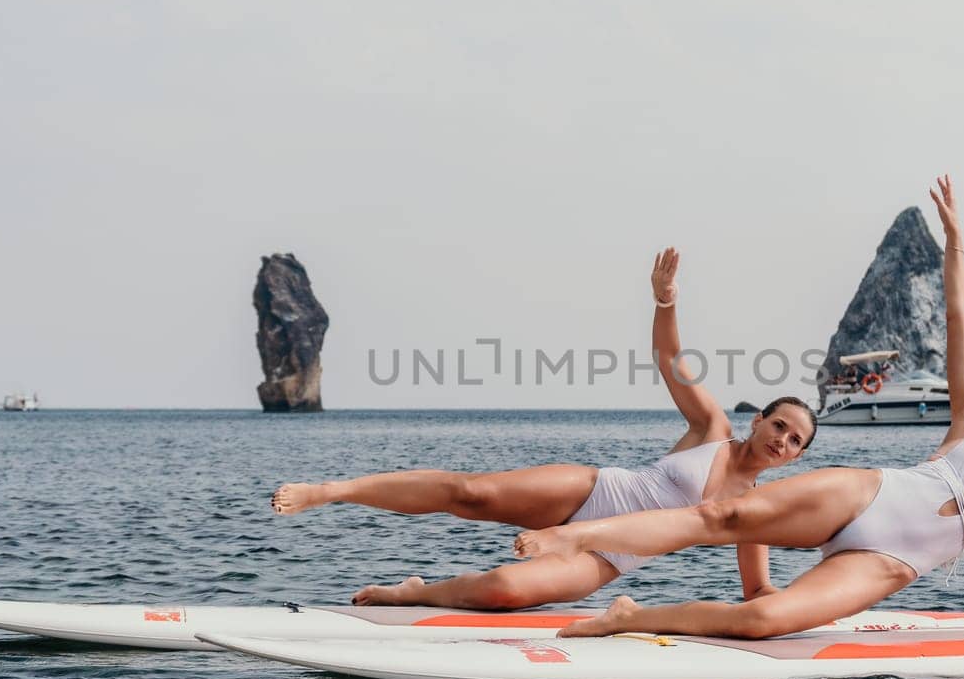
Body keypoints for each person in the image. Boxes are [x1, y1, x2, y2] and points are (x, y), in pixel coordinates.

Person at [515, 176, 964, 641]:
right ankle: (568, 536)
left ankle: (628, 618)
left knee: (764, 620)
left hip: (887, 565)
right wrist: (956, 244)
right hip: (866, 494)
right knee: (721, 515)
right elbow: (956, 319)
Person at [270, 247, 817, 609]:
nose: (782, 439)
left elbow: (757, 589)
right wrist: (665, 301)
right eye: (780, 424)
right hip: (596, 490)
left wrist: (815, 602)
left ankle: (413, 593)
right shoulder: (713, 428)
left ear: (794, 458)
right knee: (471, 493)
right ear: (759, 419)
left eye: (795, 441)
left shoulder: (755, 510)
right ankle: (332, 491)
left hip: (609, 556)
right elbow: (670, 358)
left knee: (505, 589)